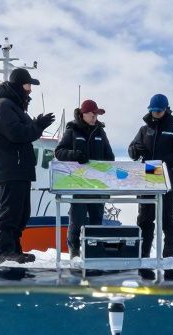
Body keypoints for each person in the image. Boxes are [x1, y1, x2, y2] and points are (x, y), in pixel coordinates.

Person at [0, 68, 57, 264]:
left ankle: (14, 249)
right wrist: (38, 126)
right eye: (28, 85)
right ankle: (5, 251)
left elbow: (24, 130)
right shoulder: (3, 106)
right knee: (10, 210)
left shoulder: (13, 106)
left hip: (19, 168)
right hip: (10, 169)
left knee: (21, 211)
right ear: (19, 85)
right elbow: (17, 133)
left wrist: (36, 124)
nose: (30, 90)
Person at [127, 93, 173, 259]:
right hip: (146, 180)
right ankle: (143, 256)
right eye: (153, 111)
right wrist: (135, 150)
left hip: (167, 180)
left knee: (167, 220)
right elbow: (132, 149)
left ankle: (168, 257)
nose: (156, 113)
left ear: (166, 110)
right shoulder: (144, 130)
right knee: (145, 221)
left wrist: (165, 164)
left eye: (159, 111)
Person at [54, 99, 115, 256]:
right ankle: (74, 253)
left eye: (96, 114)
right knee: (76, 223)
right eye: (92, 114)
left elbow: (110, 157)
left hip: (98, 187)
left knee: (96, 224)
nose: (95, 117)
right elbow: (59, 152)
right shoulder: (73, 131)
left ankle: (93, 253)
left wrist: (102, 165)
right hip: (79, 186)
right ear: (83, 114)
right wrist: (74, 155)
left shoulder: (101, 132)